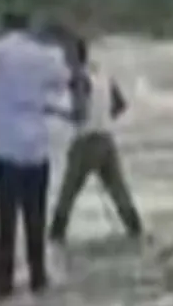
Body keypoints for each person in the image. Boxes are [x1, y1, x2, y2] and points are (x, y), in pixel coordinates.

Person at [0, 8, 70, 297]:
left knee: (7, 217)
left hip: (4, 145)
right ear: (28, 26)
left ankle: (4, 282)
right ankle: (37, 277)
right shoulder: (45, 55)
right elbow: (63, 80)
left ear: (3, 25)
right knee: (35, 216)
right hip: (36, 146)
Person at [48, 36, 144, 243]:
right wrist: (102, 118)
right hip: (106, 140)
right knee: (120, 195)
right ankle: (137, 235)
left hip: (85, 143)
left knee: (66, 198)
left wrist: (54, 111)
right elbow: (120, 105)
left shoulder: (78, 79)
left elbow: (79, 113)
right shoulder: (102, 74)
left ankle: (54, 243)